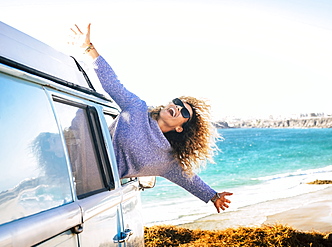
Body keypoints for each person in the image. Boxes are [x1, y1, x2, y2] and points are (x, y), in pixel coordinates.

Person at [70, 24, 232, 213]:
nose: (178, 108)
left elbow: (190, 181)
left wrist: (213, 196)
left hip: (93, 191)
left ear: (180, 128)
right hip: (71, 163)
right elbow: (112, 83)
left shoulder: (167, 160)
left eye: (184, 113)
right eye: (178, 102)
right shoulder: (137, 108)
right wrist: (89, 49)